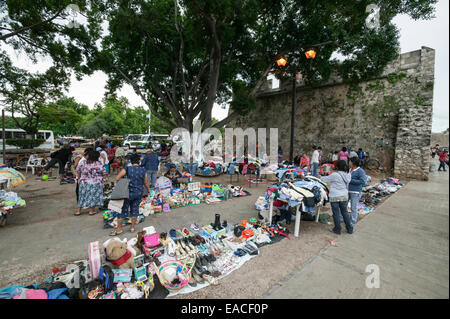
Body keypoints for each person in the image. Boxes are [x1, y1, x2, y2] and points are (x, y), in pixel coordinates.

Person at [111, 154, 150, 235]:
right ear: (139, 161)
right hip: (138, 192)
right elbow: (145, 182)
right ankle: (132, 228)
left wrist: (124, 182)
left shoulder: (127, 168)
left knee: (123, 210)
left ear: (131, 162)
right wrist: (148, 190)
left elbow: (117, 178)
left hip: (127, 193)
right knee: (135, 210)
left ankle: (119, 229)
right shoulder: (143, 170)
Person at [320, 160, 353, 235]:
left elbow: (325, 179)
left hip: (335, 196)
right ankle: (350, 229)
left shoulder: (335, 175)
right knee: (345, 213)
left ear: (337, 166)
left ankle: (337, 229)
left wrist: (320, 177)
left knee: (336, 213)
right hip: (344, 196)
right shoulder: (348, 175)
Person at [75, 150, 107, 216]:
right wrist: (102, 179)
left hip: (84, 182)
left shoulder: (82, 162)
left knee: (82, 196)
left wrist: (79, 178)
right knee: (93, 196)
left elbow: (78, 171)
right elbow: (104, 173)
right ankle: (91, 211)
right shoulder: (99, 163)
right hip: (96, 183)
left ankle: (78, 211)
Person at [347, 157, 367, 226]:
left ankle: (353, 221)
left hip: (355, 192)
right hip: (348, 190)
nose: (349, 162)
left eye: (350, 161)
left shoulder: (360, 171)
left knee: (353, 207)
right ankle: (342, 218)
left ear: (353, 162)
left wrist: (350, 181)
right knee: (344, 205)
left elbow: (363, 181)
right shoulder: (350, 169)